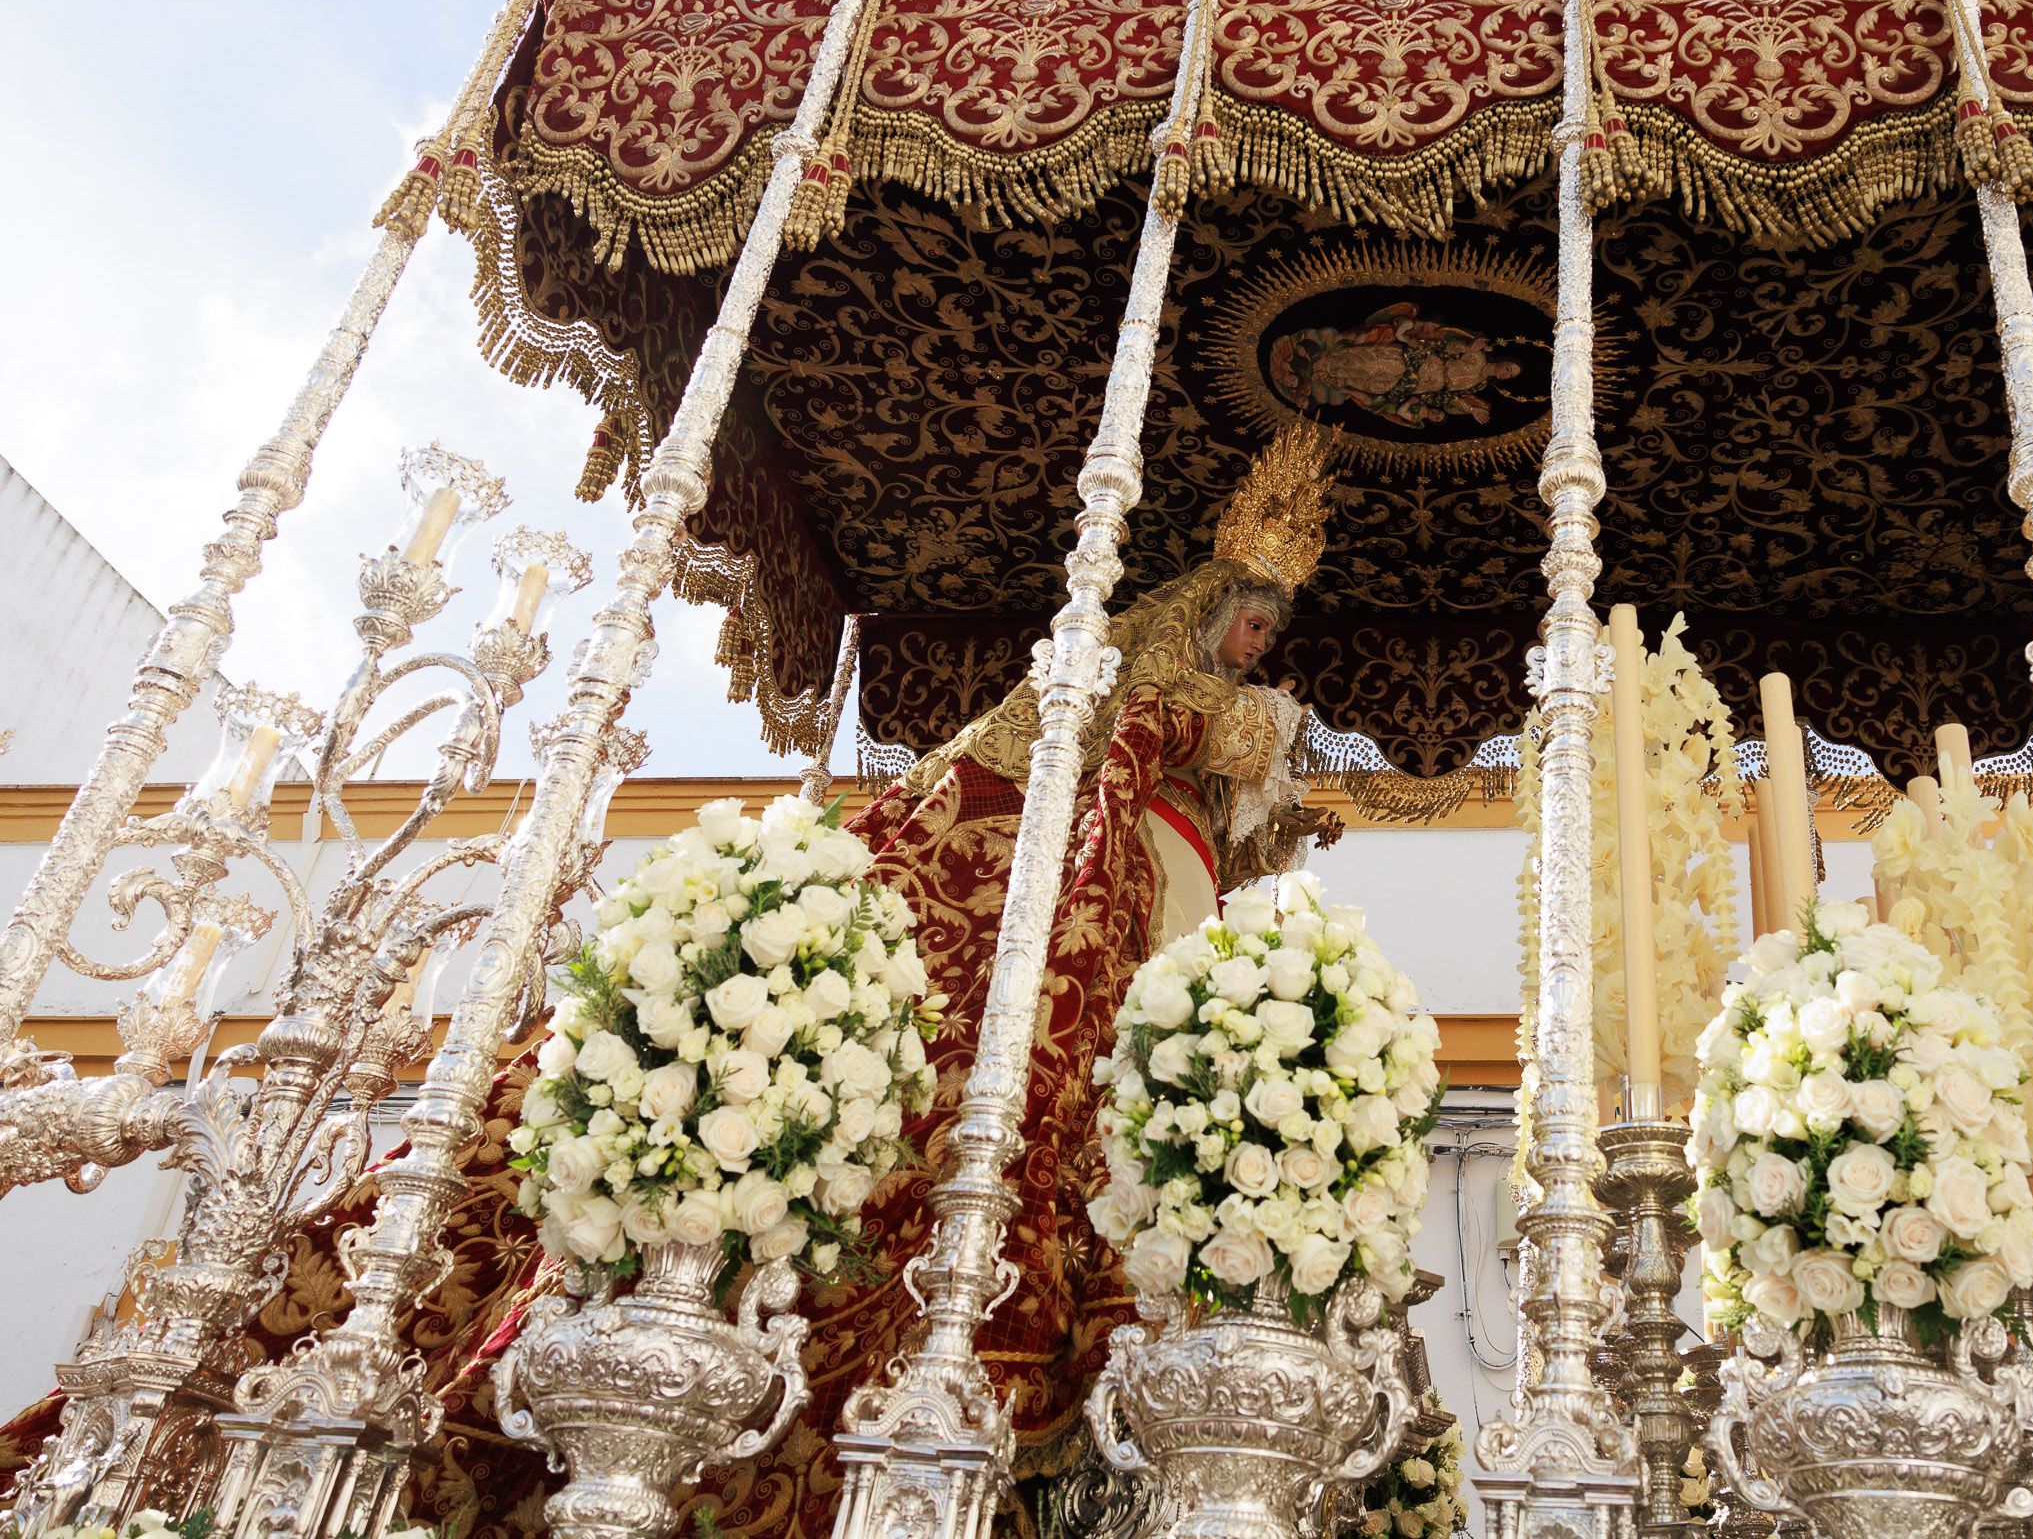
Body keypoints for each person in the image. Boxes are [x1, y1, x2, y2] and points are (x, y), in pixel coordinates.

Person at [0, 431, 1347, 1537]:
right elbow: (1070, 758)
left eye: (1262, 633)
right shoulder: (1116, 686)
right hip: (1093, 873)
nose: (1247, 645)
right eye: (1241, 619)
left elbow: (1240, 811)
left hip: (1170, 910)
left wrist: (1271, 787)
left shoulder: (1227, 723)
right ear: (1197, 605)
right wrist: (1207, 739)